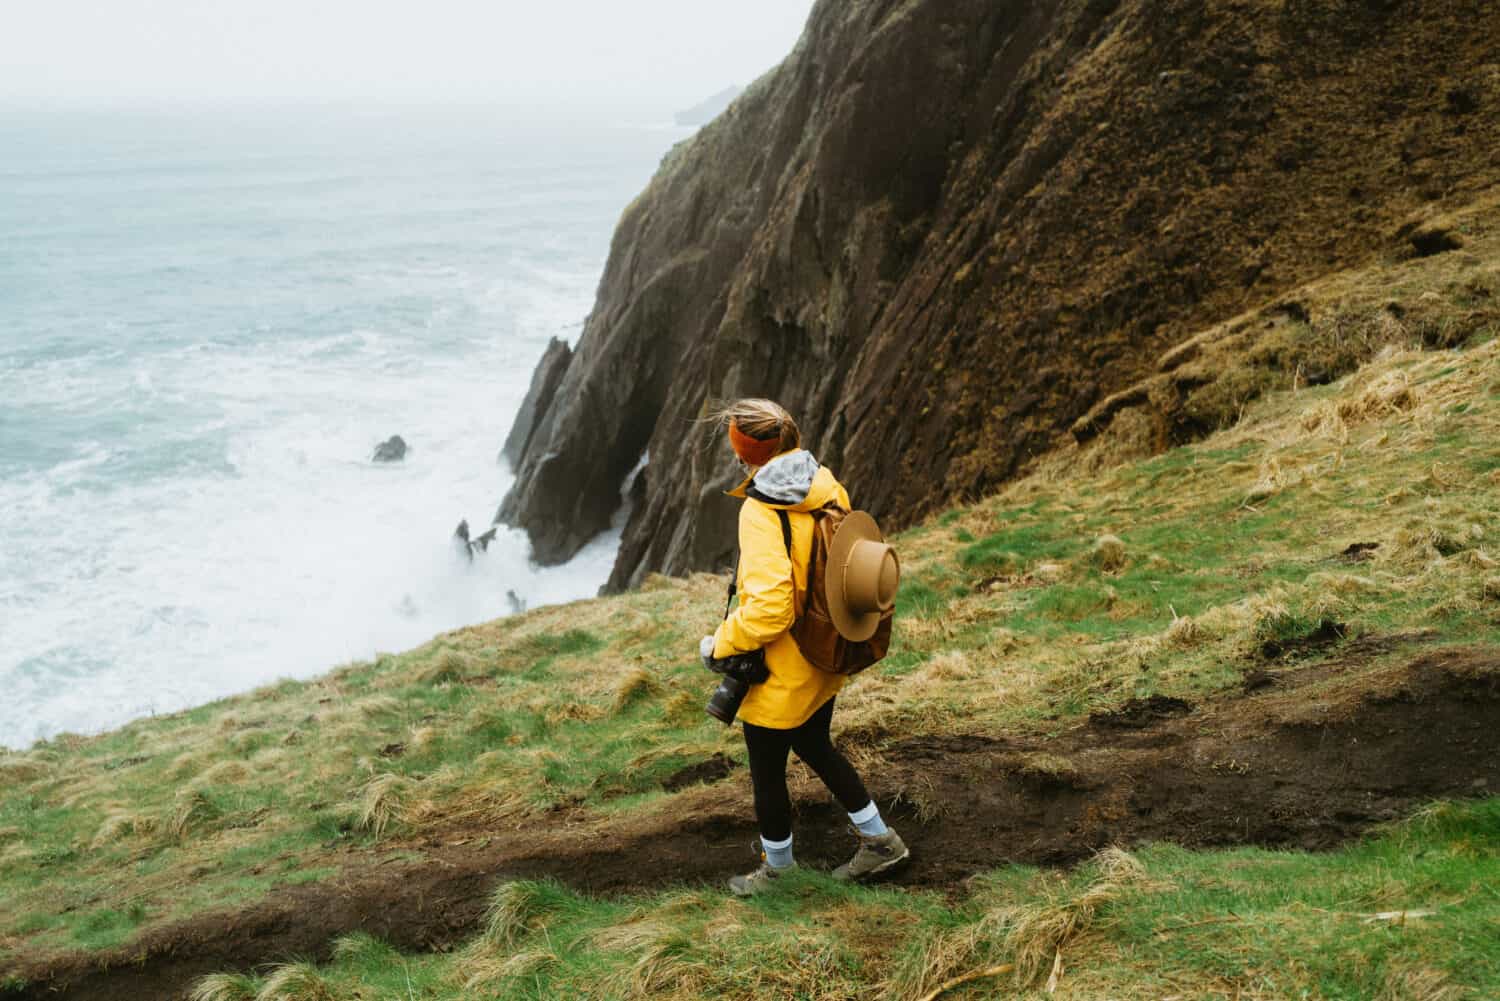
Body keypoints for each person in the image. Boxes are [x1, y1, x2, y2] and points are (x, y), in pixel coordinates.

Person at [701, 398, 908, 896]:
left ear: (745, 451)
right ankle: (881, 841)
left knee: (766, 773)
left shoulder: (761, 510)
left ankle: (778, 873)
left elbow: (773, 608)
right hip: (826, 650)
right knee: (815, 743)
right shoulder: (824, 483)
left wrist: (720, 641)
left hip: (784, 666)